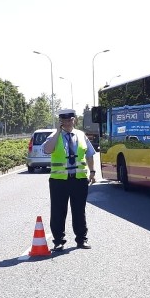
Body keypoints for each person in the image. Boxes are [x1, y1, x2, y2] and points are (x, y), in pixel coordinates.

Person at [42, 108, 97, 252]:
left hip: (79, 180)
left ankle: (81, 239)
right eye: (64, 121)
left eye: (69, 120)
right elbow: (47, 150)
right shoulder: (55, 136)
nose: (67, 123)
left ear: (74, 120)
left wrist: (92, 172)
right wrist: (58, 132)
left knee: (79, 211)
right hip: (59, 180)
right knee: (58, 211)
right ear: (60, 122)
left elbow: (89, 155)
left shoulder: (81, 135)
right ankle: (58, 241)